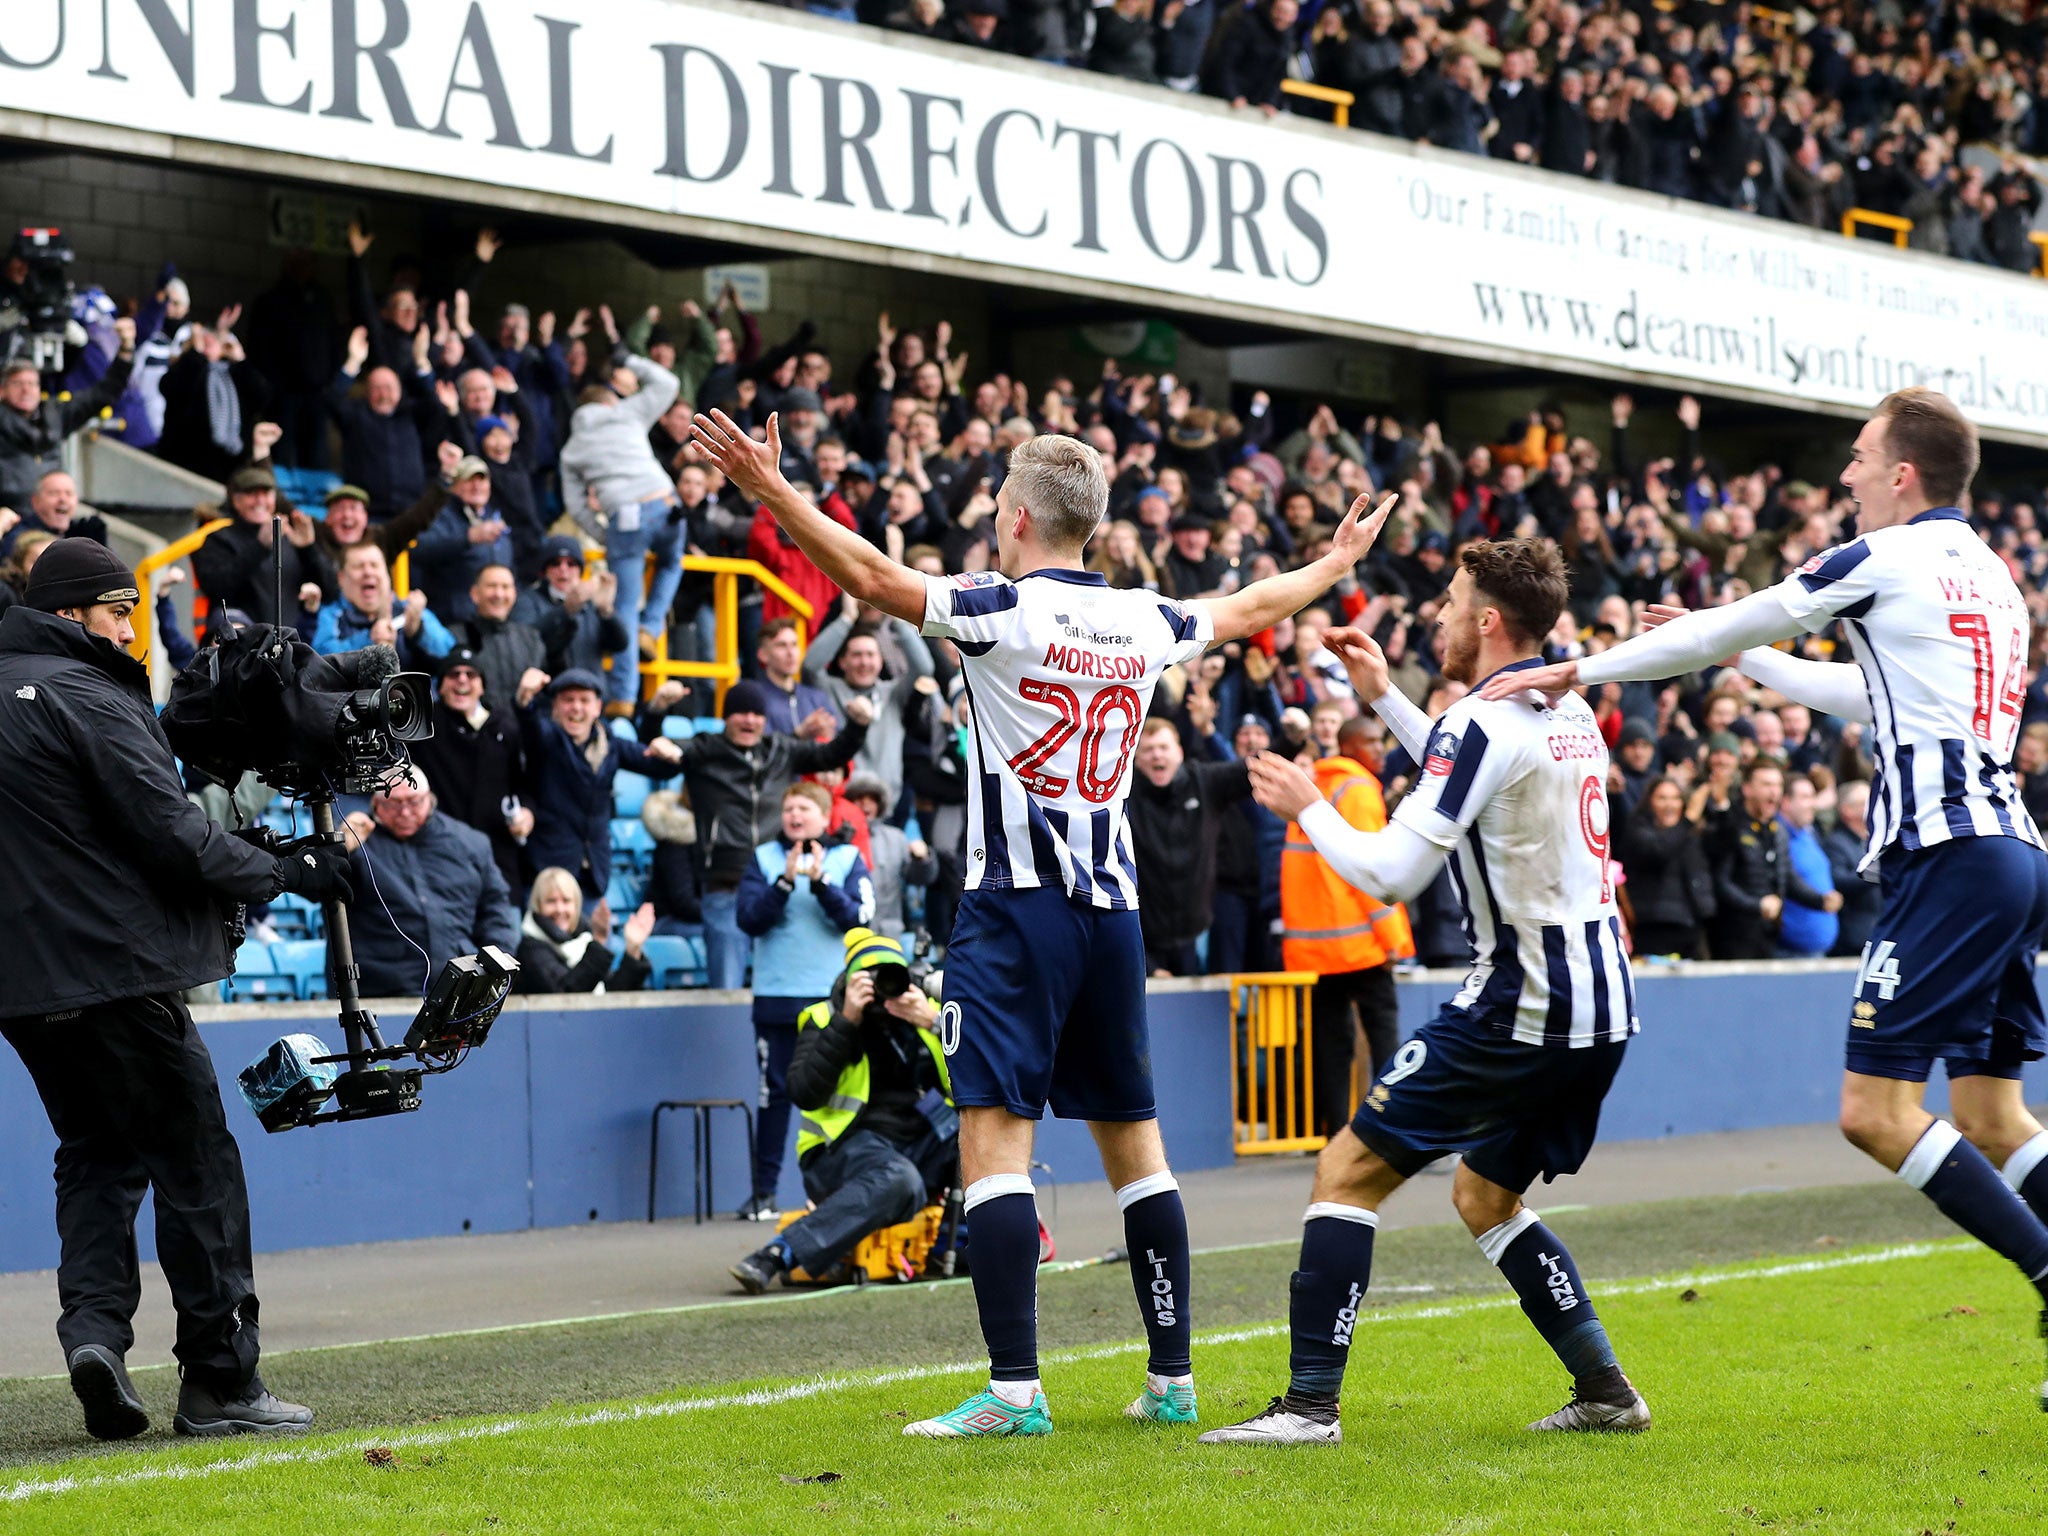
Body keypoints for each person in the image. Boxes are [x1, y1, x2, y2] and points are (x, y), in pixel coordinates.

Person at [691, 406, 1388, 1438]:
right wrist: (1331, 567)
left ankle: (1014, 1391)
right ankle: (1171, 1379)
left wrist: (771, 493)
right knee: (1135, 1149)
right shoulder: (1141, 618)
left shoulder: (997, 607)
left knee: (992, 1142)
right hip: (1111, 914)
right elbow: (1243, 608)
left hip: (1014, 914)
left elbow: (876, 582)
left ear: (1015, 516)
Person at [1495, 388, 2048, 1401]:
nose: (1840, 477)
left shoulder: (1880, 558)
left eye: (1855, 458)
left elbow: (1712, 632)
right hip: (2011, 854)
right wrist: (1747, 655)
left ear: (1900, 474)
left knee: (1872, 1113)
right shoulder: (1992, 578)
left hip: (1948, 855)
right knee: (1994, 1119)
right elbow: (1862, 692)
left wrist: (1581, 665)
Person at [1204, 539, 1646, 1447]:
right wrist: (1384, 700)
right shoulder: (1565, 709)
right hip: (1606, 1004)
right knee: (1485, 1196)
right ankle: (1605, 1391)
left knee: (1346, 1171)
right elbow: (1474, 767)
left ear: (1487, 621)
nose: (1434, 617)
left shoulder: (1484, 720)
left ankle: (1308, 1407)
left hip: (1521, 1000)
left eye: (1448, 603)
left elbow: (1397, 872)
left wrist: (1307, 807)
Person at [0, 538, 348, 1439]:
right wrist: (290, 870)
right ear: (74, 612)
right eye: (120, 612)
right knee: (196, 1166)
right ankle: (221, 1382)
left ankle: (96, 1341)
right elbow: (173, 836)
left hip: (25, 988)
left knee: (98, 1154)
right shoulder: (86, 692)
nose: (135, 631)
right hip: (119, 970)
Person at [730, 930, 955, 1293]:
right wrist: (847, 1019)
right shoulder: (824, 1017)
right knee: (900, 1179)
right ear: (852, 982)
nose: (884, 989)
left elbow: (970, 1087)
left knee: (976, 1135)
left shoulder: (922, 1015)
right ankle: (777, 1254)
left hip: (912, 1146)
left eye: (890, 977)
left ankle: (959, 1245)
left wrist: (933, 1022)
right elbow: (804, 1092)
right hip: (840, 1153)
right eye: (874, 979)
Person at [734, 782, 876, 1219]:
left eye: (805, 808)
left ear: (824, 815)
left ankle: (844, 1193)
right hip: (776, 999)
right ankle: (764, 1194)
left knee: (837, 1096)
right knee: (774, 1095)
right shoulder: (764, 859)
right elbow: (748, 919)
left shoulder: (847, 859)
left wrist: (821, 884)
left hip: (832, 1002)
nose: (795, 815)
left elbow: (859, 918)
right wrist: (782, 883)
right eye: (789, 808)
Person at [673, 679, 872, 987]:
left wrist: (857, 726)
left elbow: (830, 755)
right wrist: (656, 715)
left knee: (787, 977)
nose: (749, 720)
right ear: (726, 716)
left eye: (756, 713)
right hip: (726, 886)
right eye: (740, 712)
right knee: (728, 984)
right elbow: (657, 756)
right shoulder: (706, 750)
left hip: (780, 880)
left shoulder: (781, 749)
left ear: (765, 720)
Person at [1283, 715, 1416, 1134]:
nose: (1380, 750)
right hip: (1361, 945)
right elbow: (1372, 873)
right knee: (1386, 1044)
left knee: (1331, 1046)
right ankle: (1390, 1129)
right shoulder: (1357, 789)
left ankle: (1334, 1135)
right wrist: (1394, 939)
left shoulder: (1316, 785)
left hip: (1316, 949)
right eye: (1372, 742)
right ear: (1350, 745)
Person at [559, 351, 684, 709]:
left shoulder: (572, 450)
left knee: (624, 605)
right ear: (609, 400)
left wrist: (603, 535)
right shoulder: (625, 413)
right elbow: (669, 383)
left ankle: (623, 699)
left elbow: (577, 506)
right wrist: (630, 360)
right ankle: (652, 627)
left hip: (623, 519)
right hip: (664, 503)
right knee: (672, 562)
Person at [340, 767, 520, 999]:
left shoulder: (469, 843)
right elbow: (314, 890)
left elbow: (497, 909)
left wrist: (495, 967)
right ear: (375, 804)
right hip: (379, 993)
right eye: (393, 803)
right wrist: (341, 849)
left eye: (414, 802)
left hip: (457, 991)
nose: (404, 812)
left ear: (429, 799)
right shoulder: (356, 843)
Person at [515, 668, 685, 901]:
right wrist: (525, 701)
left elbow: (660, 764)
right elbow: (530, 728)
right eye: (568, 700)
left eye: (584, 700)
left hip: (593, 874)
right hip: (548, 874)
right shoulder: (548, 739)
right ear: (555, 707)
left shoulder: (610, 743)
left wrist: (656, 713)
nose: (576, 708)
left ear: (597, 707)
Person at [1126, 716, 1250, 976]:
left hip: (1198, 933)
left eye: (1163, 747)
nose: (1156, 756)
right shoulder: (1124, 796)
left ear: (1179, 752)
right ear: (1135, 759)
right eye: (1147, 749)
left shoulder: (1203, 781)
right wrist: (1149, 965)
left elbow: (1248, 770)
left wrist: (1292, 740)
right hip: (1144, 936)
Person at [407, 645, 529, 895]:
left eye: (471, 674)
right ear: (440, 686)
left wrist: (527, 813)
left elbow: (524, 785)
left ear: (482, 686)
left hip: (499, 861)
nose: (462, 680)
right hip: (442, 860)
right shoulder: (425, 727)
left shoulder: (505, 727)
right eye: (453, 674)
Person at [803, 605, 936, 814]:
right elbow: (810, 667)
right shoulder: (828, 690)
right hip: (838, 805)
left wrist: (898, 619)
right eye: (856, 655)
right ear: (842, 662)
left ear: (880, 661)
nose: (864, 662)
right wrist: (846, 619)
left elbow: (924, 668)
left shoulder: (893, 694)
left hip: (885, 805)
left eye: (870, 655)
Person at [0, 321, 134, 511]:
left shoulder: (54, 413)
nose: (26, 390)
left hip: (54, 517)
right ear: (2, 390)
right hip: (10, 521)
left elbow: (103, 394)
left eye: (32, 384)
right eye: (18, 384)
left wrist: (125, 351)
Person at [191, 466, 337, 631]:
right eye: (251, 494)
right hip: (240, 646)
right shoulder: (217, 538)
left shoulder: (291, 537)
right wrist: (259, 547)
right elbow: (216, 588)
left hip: (290, 644)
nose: (260, 501)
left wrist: (308, 549)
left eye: (265, 493)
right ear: (235, 500)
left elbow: (331, 592)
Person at [1613, 776, 1712, 959]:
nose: (1670, 805)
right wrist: (1688, 820)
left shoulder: (1691, 834)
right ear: (1649, 802)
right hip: (1653, 927)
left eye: (1675, 798)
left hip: (1691, 926)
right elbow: (1659, 851)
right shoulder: (1638, 831)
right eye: (1662, 798)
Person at [312, 542, 454, 670]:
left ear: (387, 574)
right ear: (341, 578)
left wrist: (418, 632)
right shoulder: (330, 615)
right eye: (359, 566)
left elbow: (452, 656)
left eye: (374, 565)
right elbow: (320, 661)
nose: (368, 572)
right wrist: (369, 640)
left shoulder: (410, 610)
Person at [514, 866, 654, 993]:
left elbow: (609, 995)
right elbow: (566, 995)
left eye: (566, 900)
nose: (560, 909)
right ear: (537, 905)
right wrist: (598, 941)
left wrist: (633, 950)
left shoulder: (583, 939)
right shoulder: (531, 949)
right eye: (551, 901)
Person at [514, 535, 628, 679]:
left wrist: (606, 611)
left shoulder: (591, 603)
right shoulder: (528, 601)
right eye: (555, 563)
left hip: (590, 692)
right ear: (545, 571)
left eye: (571, 564)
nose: (564, 569)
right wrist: (565, 611)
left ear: (580, 570)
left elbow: (620, 645)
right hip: (550, 694)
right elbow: (525, 641)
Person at [845, 773, 936, 938]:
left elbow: (919, 879)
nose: (865, 803)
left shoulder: (896, 838)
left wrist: (922, 859)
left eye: (872, 798)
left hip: (888, 934)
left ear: (880, 804)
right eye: (859, 797)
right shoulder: (838, 838)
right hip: (847, 933)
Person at [1776, 772, 1842, 958]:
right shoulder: (1777, 836)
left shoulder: (1809, 833)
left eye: (1813, 797)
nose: (1813, 804)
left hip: (1819, 951)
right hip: (1788, 954)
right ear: (1786, 802)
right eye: (1805, 797)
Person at [1824, 780, 1881, 957]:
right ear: (1847, 810)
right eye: (1867, 801)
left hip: (1875, 931)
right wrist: (1876, 872)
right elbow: (1838, 880)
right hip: (1853, 936)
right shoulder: (1836, 843)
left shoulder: (1871, 842)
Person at [757, 616, 840, 737]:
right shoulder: (756, 698)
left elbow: (840, 743)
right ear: (763, 655)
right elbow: (762, 749)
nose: (790, 653)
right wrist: (799, 735)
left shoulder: (817, 697)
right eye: (781, 645)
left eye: (794, 645)